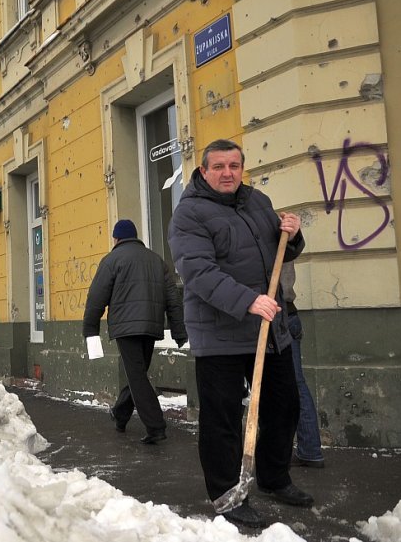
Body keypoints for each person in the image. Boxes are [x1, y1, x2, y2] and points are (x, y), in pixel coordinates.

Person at [167, 139, 313, 529]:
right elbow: (197, 272)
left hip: (269, 328)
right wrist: (248, 300)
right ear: (203, 171)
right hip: (219, 334)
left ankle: (273, 477)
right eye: (218, 167)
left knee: (284, 408)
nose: (227, 173)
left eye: (234, 165)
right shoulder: (189, 215)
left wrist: (293, 234)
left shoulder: (258, 202)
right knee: (223, 420)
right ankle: (227, 494)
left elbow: (280, 252)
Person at [83, 219, 187, 444]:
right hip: (151, 326)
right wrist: (179, 331)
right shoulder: (156, 260)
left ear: (116, 238)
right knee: (137, 373)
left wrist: (90, 330)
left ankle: (156, 426)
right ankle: (120, 413)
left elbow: (96, 298)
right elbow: (173, 299)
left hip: (126, 329)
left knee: (137, 375)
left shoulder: (112, 260)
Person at [281, 261, 326, 468]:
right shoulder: (284, 232)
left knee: (274, 389)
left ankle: (278, 454)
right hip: (290, 314)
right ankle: (310, 450)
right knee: (297, 384)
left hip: (276, 316)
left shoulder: (263, 234)